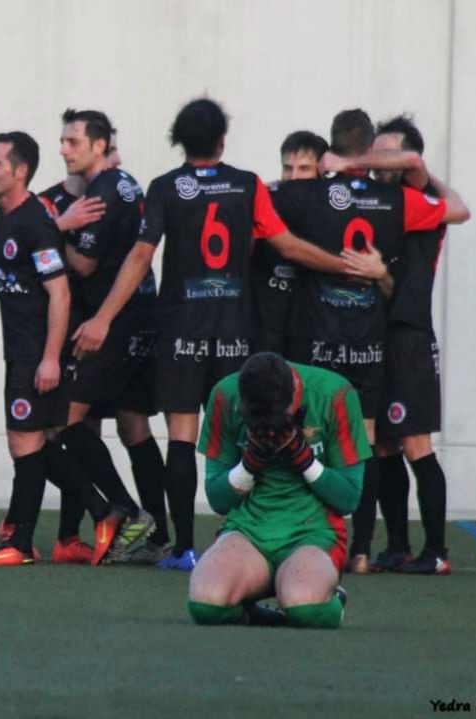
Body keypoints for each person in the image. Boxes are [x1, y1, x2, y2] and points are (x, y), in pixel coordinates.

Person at [78, 98, 358, 571]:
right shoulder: (248, 185)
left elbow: (141, 256)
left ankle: (185, 549)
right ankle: (259, 534)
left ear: (180, 140)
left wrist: (103, 317)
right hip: (235, 333)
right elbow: (286, 246)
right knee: (252, 433)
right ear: (222, 141)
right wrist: (346, 267)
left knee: (182, 438)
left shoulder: (166, 188)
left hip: (182, 331)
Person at [273, 109, 469, 572]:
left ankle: (436, 551)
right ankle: (394, 545)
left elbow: (454, 203)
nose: (379, 159)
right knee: (381, 446)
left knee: (415, 443)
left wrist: (348, 161)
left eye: (388, 152)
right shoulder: (386, 200)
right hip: (379, 335)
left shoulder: (414, 200)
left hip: (411, 338)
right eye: (373, 150)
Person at [0, 131, 135, 567]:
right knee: (25, 443)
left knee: (27, 443)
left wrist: (49, 358)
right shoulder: (3, 216)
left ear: (20, 171)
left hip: (36, 352)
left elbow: (60, 294)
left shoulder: (32, 221)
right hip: (18, 348)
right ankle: (98, 513)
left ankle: (23, 541)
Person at [38, 130, 172, 565]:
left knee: (64, 422)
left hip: (110, 323)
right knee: (134, 425)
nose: (64, 150)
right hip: (139, 318)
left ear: (100, 148)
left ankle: (127, 512)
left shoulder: (101, 190)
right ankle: (156, 535)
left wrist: (52, 231)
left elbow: (82, 263)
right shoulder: (122, 184)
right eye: (63, 141)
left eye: (72, 141)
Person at [187, 352, 368, 629]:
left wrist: (304, 460)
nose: (267, 429)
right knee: (205, 604)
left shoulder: (335, 393)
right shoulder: (225, 394)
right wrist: (248, 466)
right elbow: (218, 499)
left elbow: (349, 498)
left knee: (305, 607)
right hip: (248, 530)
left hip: (313, 532)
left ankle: (330, 598)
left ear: (295, 397)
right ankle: (256, 612)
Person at [251, 131, 329, 354]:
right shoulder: (265, 199)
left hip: (313, 327)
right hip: (267, 325)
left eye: (304, 168)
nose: (293, 177)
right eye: (288, 168)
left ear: (322, 171)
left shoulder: (333, 207)